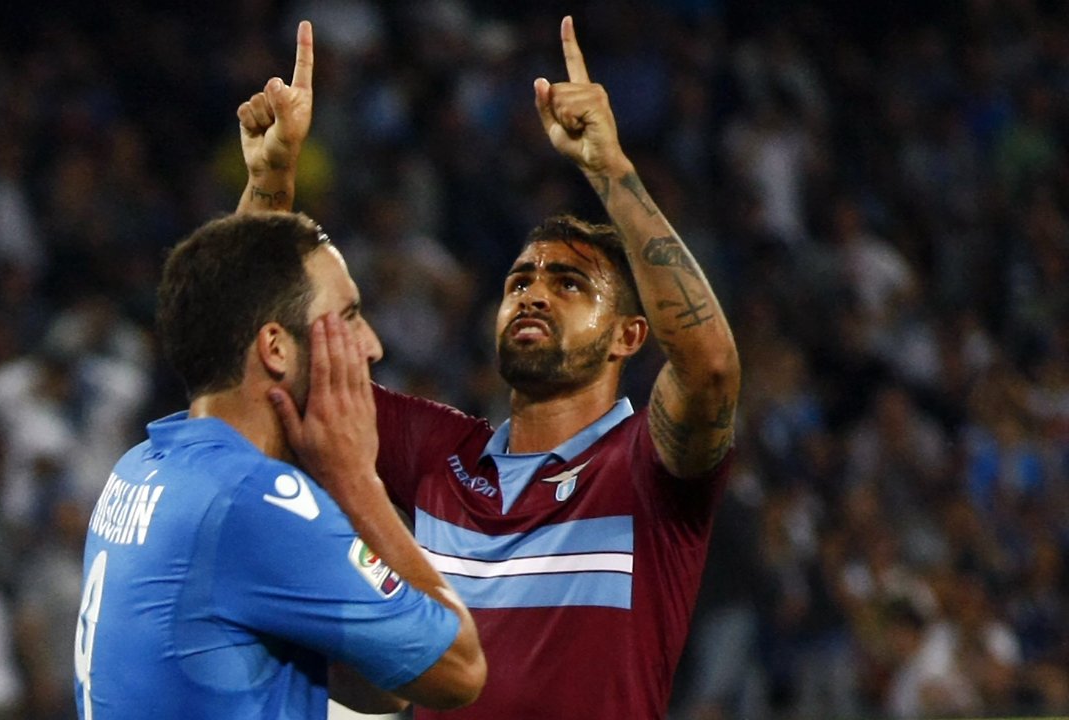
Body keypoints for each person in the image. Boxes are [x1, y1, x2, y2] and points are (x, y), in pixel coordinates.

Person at [239, 16, 739, 719]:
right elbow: (261, 373)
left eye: (569, 284)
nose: (534, 290)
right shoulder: (439, 455)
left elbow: (711, 368)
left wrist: (610, 169)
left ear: (632, 335)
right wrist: (270, 184)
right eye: (519, 281)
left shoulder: (646, 469)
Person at [74, 30, 485, 715]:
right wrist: (356, 480)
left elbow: (229, 308)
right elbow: (459, 670)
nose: (373, 346)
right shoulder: (255, 506)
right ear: (275, 349)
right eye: (349, 317)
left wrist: (269, 183)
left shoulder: (148, 469)